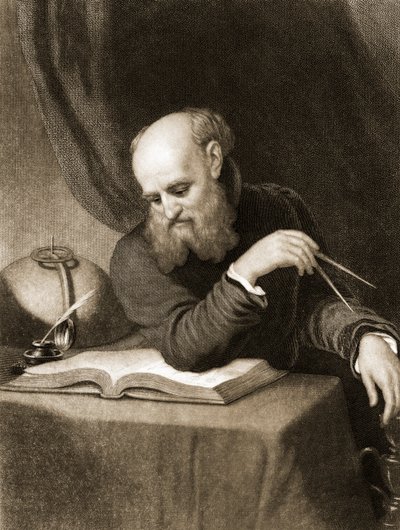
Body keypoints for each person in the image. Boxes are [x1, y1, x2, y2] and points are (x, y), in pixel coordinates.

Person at [110, 107, 400, 453]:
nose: (169, 211)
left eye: (180, 190)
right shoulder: (134, 255)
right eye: (155, 199)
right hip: (193, 431)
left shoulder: (276, 208)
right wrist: (245, 271)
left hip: (289, 409)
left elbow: (311, 304)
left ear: (213, 159)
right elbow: (185, 347)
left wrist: (364, 337)